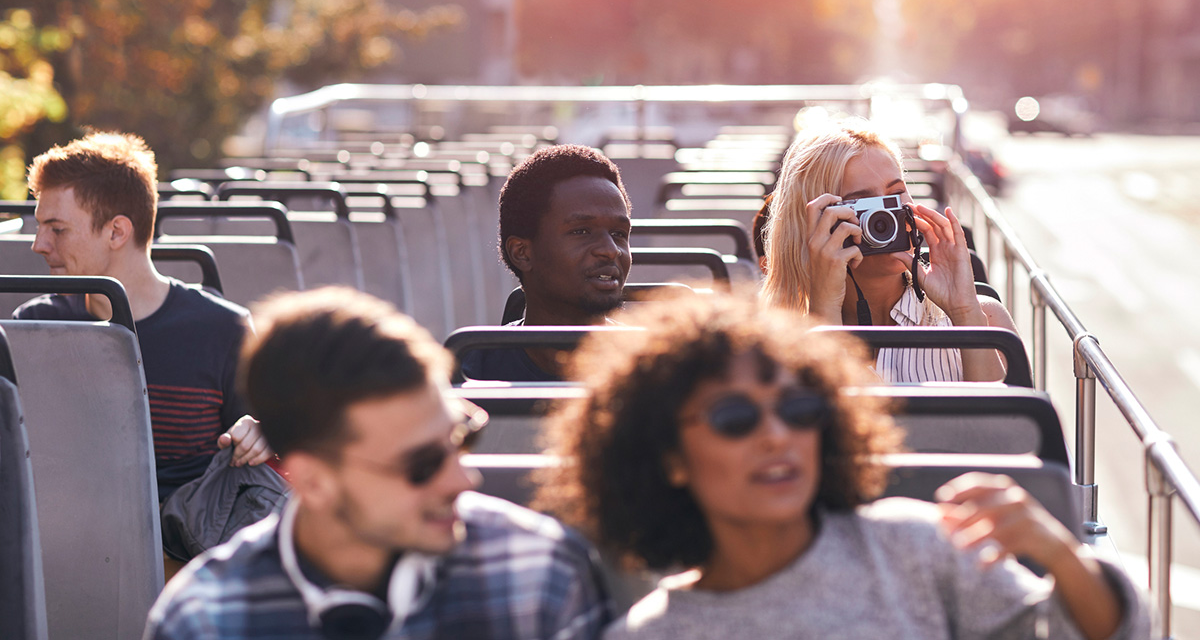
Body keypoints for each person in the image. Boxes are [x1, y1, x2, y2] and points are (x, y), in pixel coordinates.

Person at [536, 293, 1148, 640]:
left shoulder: (916, 546)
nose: (777, 436)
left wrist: (1061, 554)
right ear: (667, 456)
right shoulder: (648, 634)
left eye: (798, 409)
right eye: (735, 419)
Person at [144, 287, 612, 640]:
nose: (464, 478)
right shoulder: (205, 620)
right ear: (315, 481)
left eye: (460, 437)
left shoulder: (541, 575)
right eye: (421, 464)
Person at [14, 132, 270, 503]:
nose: (39, 245)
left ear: (117, 231)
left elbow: (268, 439)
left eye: (57, 229)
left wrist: (262, 434)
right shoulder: (34, 325)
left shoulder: (223, 330)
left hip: (187, 533)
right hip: (58, 527)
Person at [761, 118, 1018, 382]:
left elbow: (1001, 411)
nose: (886, 215)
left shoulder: (987, 318)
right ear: (814, 223)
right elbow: (825, 408)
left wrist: (965, 314)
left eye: (895, 193)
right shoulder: (777, 344)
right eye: (862, 203)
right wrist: (824, 312)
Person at [460, 144, 632, 381]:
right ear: (522, 253)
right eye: (581, 231)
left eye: (619, 234)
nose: (610, 250)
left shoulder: (656, 370)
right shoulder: (470, 374)